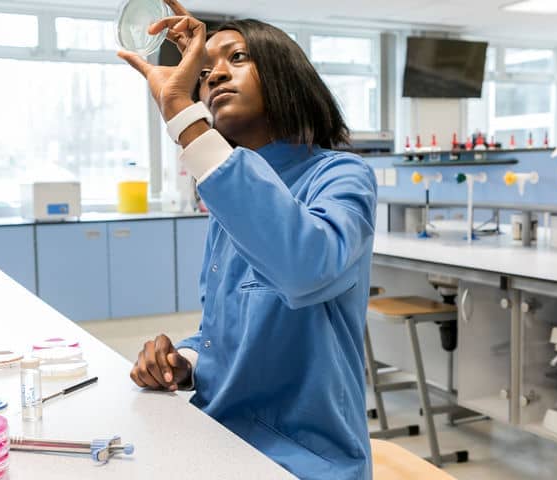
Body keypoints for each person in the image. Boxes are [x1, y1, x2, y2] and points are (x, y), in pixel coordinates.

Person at [119, 2, 377, 478]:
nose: (213, 76)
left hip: (303, 458)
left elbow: (304, 267)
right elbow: (230, 325)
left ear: (287, 71)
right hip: (217, 436)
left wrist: (182, 114)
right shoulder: (227, 191)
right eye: (205, 70)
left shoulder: (341, 176)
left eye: (237, 57)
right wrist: (186, 359)